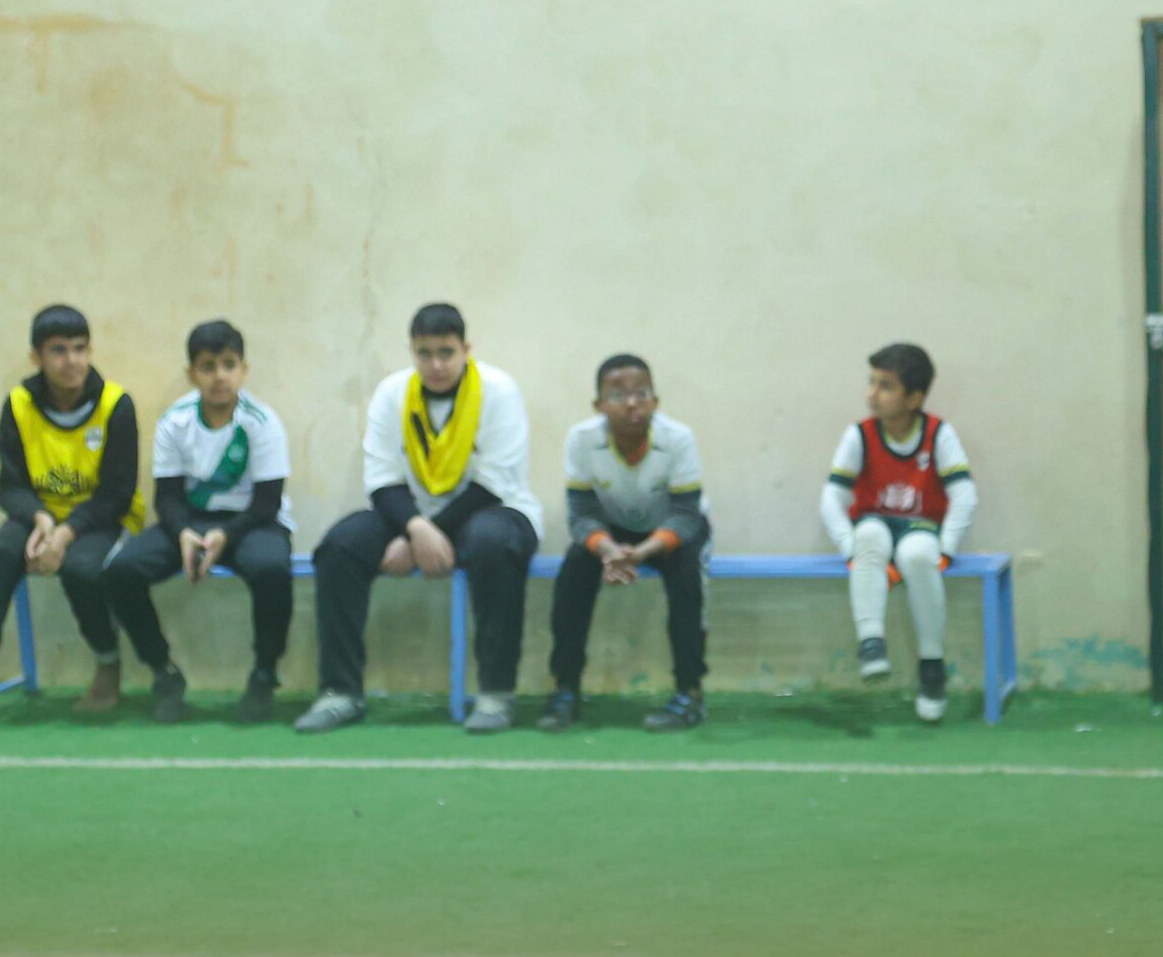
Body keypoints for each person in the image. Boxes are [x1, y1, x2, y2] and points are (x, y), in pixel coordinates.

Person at [299, 304, 544, 735]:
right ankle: (341, 692)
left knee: (492, 544)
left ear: (466, 349)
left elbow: (492, 484)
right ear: (412, 351)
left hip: (496, 509)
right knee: (339, 547)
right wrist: (415, 529)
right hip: (411, 515)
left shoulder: (499, 391)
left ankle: (496, 694)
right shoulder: (392, 393)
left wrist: (424, 534)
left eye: (446, 352)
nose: (436, 365)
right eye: (424, 353)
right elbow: (382, 481)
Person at [0, 304, 147, 731]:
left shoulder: (116, 404)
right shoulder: (19, 404)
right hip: (41, 516)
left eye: (80, 348)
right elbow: (10, 486)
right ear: (36, 357)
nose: (71, 361)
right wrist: (40, 520)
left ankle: (107, 665)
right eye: (58, 350)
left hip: (102, 519)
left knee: (81, 569)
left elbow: (117, 494)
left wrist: (65, 535)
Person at [103, 320, 297, 725]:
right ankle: (164, 672)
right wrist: (184, 533)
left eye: (229, 365)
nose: (219, 376)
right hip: (189, 521)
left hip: (253, 522)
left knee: (272, 569)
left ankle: (264, 675)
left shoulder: (262, 422)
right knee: (121, 570)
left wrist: (226, 535)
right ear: (191, 373)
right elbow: (167, 496)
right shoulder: (174, 421)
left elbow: (268, 502)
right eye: (208, 367)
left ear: (244, 369)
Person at [542, 354, 713, 732]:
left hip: (672, 529)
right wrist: (608, 550)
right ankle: (565, 689)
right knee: (572, 575)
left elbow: (686, 515)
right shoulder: (582, 439)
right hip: (613, 529)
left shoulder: (678, 438)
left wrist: (642, 552)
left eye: (642, 393)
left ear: (656, 401)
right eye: (618, 396)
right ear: (598, 405)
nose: (632, 403)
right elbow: (581, 514)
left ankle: (690, 693)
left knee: (688, 579)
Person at [819, 343, 977, 723]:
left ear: (914, 398)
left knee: (918, 555)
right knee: (868, 537)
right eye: (871, 382)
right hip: (873, 527)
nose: (872, 394)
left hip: (920, 528)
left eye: (886, 386)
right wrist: (849, 548)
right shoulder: (860, 435)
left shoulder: (938, 434)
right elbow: (831, 499)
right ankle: (871, 641)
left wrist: (947, 549)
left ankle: (932, 665)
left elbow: (965, 495)